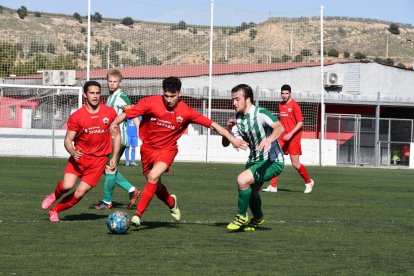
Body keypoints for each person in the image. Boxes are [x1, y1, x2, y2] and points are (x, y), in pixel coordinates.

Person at [110, 76, 248, 227]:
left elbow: (214, 125)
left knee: (153, 177)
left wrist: (232, 139)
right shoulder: (150, 102)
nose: (169, 100)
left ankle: (138, 215)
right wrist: (115, 122)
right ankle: (171, 201)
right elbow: (129, 113)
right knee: (156, 186)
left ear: (179, 94)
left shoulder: (186, 111)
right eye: (166, 96)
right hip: (147, 149)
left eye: (172, 96)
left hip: (167, 150)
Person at [41, 81, 120, 222]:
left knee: (79, 192)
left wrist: (114, 156)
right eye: (91, 93)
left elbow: (117, 135)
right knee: (67, 185)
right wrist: (72, 152)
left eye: (97, 93)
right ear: (85, 95)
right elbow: (67, 140)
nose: (95, 96)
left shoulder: (110, 112)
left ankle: (55, 210)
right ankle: (54, 195)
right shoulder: (77, 116)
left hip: (99, 161)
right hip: (80, 157)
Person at [222, 84, 285, 231]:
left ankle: (241, 216)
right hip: (254, 160)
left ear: (248, 99)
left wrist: (269, 140)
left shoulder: (261, 113)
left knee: (242, 180)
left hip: (272, 161)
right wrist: (229, 129)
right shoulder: (238, 119)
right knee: (251, 194)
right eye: (233, 100)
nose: (234, 103)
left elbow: (279, 127)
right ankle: (258, 218)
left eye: (237, 99)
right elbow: (226, 143)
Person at [93, 69, 140, 210]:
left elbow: (133, 112)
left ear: (120, 82)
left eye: (115, 81)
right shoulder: (110, 96)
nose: (112, 84)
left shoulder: (121, 96)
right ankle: (132, 189)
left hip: (119, 137)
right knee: (107, 167)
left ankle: (107, 201)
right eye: (110, 81)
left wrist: (139, 130)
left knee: (109, 167)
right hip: (111, 137)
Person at [262, 84, 314, 193]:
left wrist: (290, 134)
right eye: (283, 93)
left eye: (286, 93)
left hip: (293, 137)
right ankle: (273, 186)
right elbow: (282, 121)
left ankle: (309, 182)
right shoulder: (280, 105)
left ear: (290, 93)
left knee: (295, 163)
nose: (284, 95)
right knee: (274, 157)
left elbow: (300, 122)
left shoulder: (295, 105)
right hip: (283, 136)